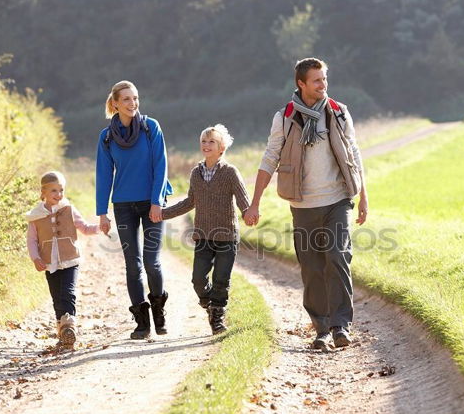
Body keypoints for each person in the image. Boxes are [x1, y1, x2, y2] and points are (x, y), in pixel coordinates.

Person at [244, 57, 369, 349]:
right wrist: (255, 203)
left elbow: (354, 155)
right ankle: (322, 328)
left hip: (338, 199)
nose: (323, 85)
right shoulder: (285, 117)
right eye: (317, 80)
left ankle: (341, 326)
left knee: (338, 257)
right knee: (312, 267)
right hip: (302, 205)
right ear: (301, 84)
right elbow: (270, 158)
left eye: (324, 79)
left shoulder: (338, 113)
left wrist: (364, 197)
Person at [96, 80, 173, 339]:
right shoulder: (107, 137)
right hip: (123, 206)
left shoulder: (151, 128)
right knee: (133, 265)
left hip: (152, 203)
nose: (133, 103)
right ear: (115, 103)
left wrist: (156, 201)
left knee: (151, 262)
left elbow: (161, 166)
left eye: (135, 98)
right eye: (126, 99)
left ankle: (159, 313)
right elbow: (104, 175)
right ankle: (142, 323)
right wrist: (102, 212)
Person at [162, 124, 250, 335]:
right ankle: (208, 302)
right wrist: (163, 213)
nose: (206, 145)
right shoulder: (195, 173)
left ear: (222, 148)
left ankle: (217, 317)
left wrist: (248, 212)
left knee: (221, 279)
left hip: (227, 236)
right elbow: (189, 202)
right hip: (203, 236)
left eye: (212, 141)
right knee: (198, 280)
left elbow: (242, 197)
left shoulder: (230, 172)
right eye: (204, 141)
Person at [26, 171, 100, 350]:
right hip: (49, 263)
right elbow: (32, 240)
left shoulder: (69, 209)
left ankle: (70, 326)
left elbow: (84, 227)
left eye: (61, 190)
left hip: (70, 260)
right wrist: (35, 258)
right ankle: (62, 331)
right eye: (53, 191)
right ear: (43, 192)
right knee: (57, 298)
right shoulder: (35, 216)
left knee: (68, 292)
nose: (58, 195)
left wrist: (100, 228)